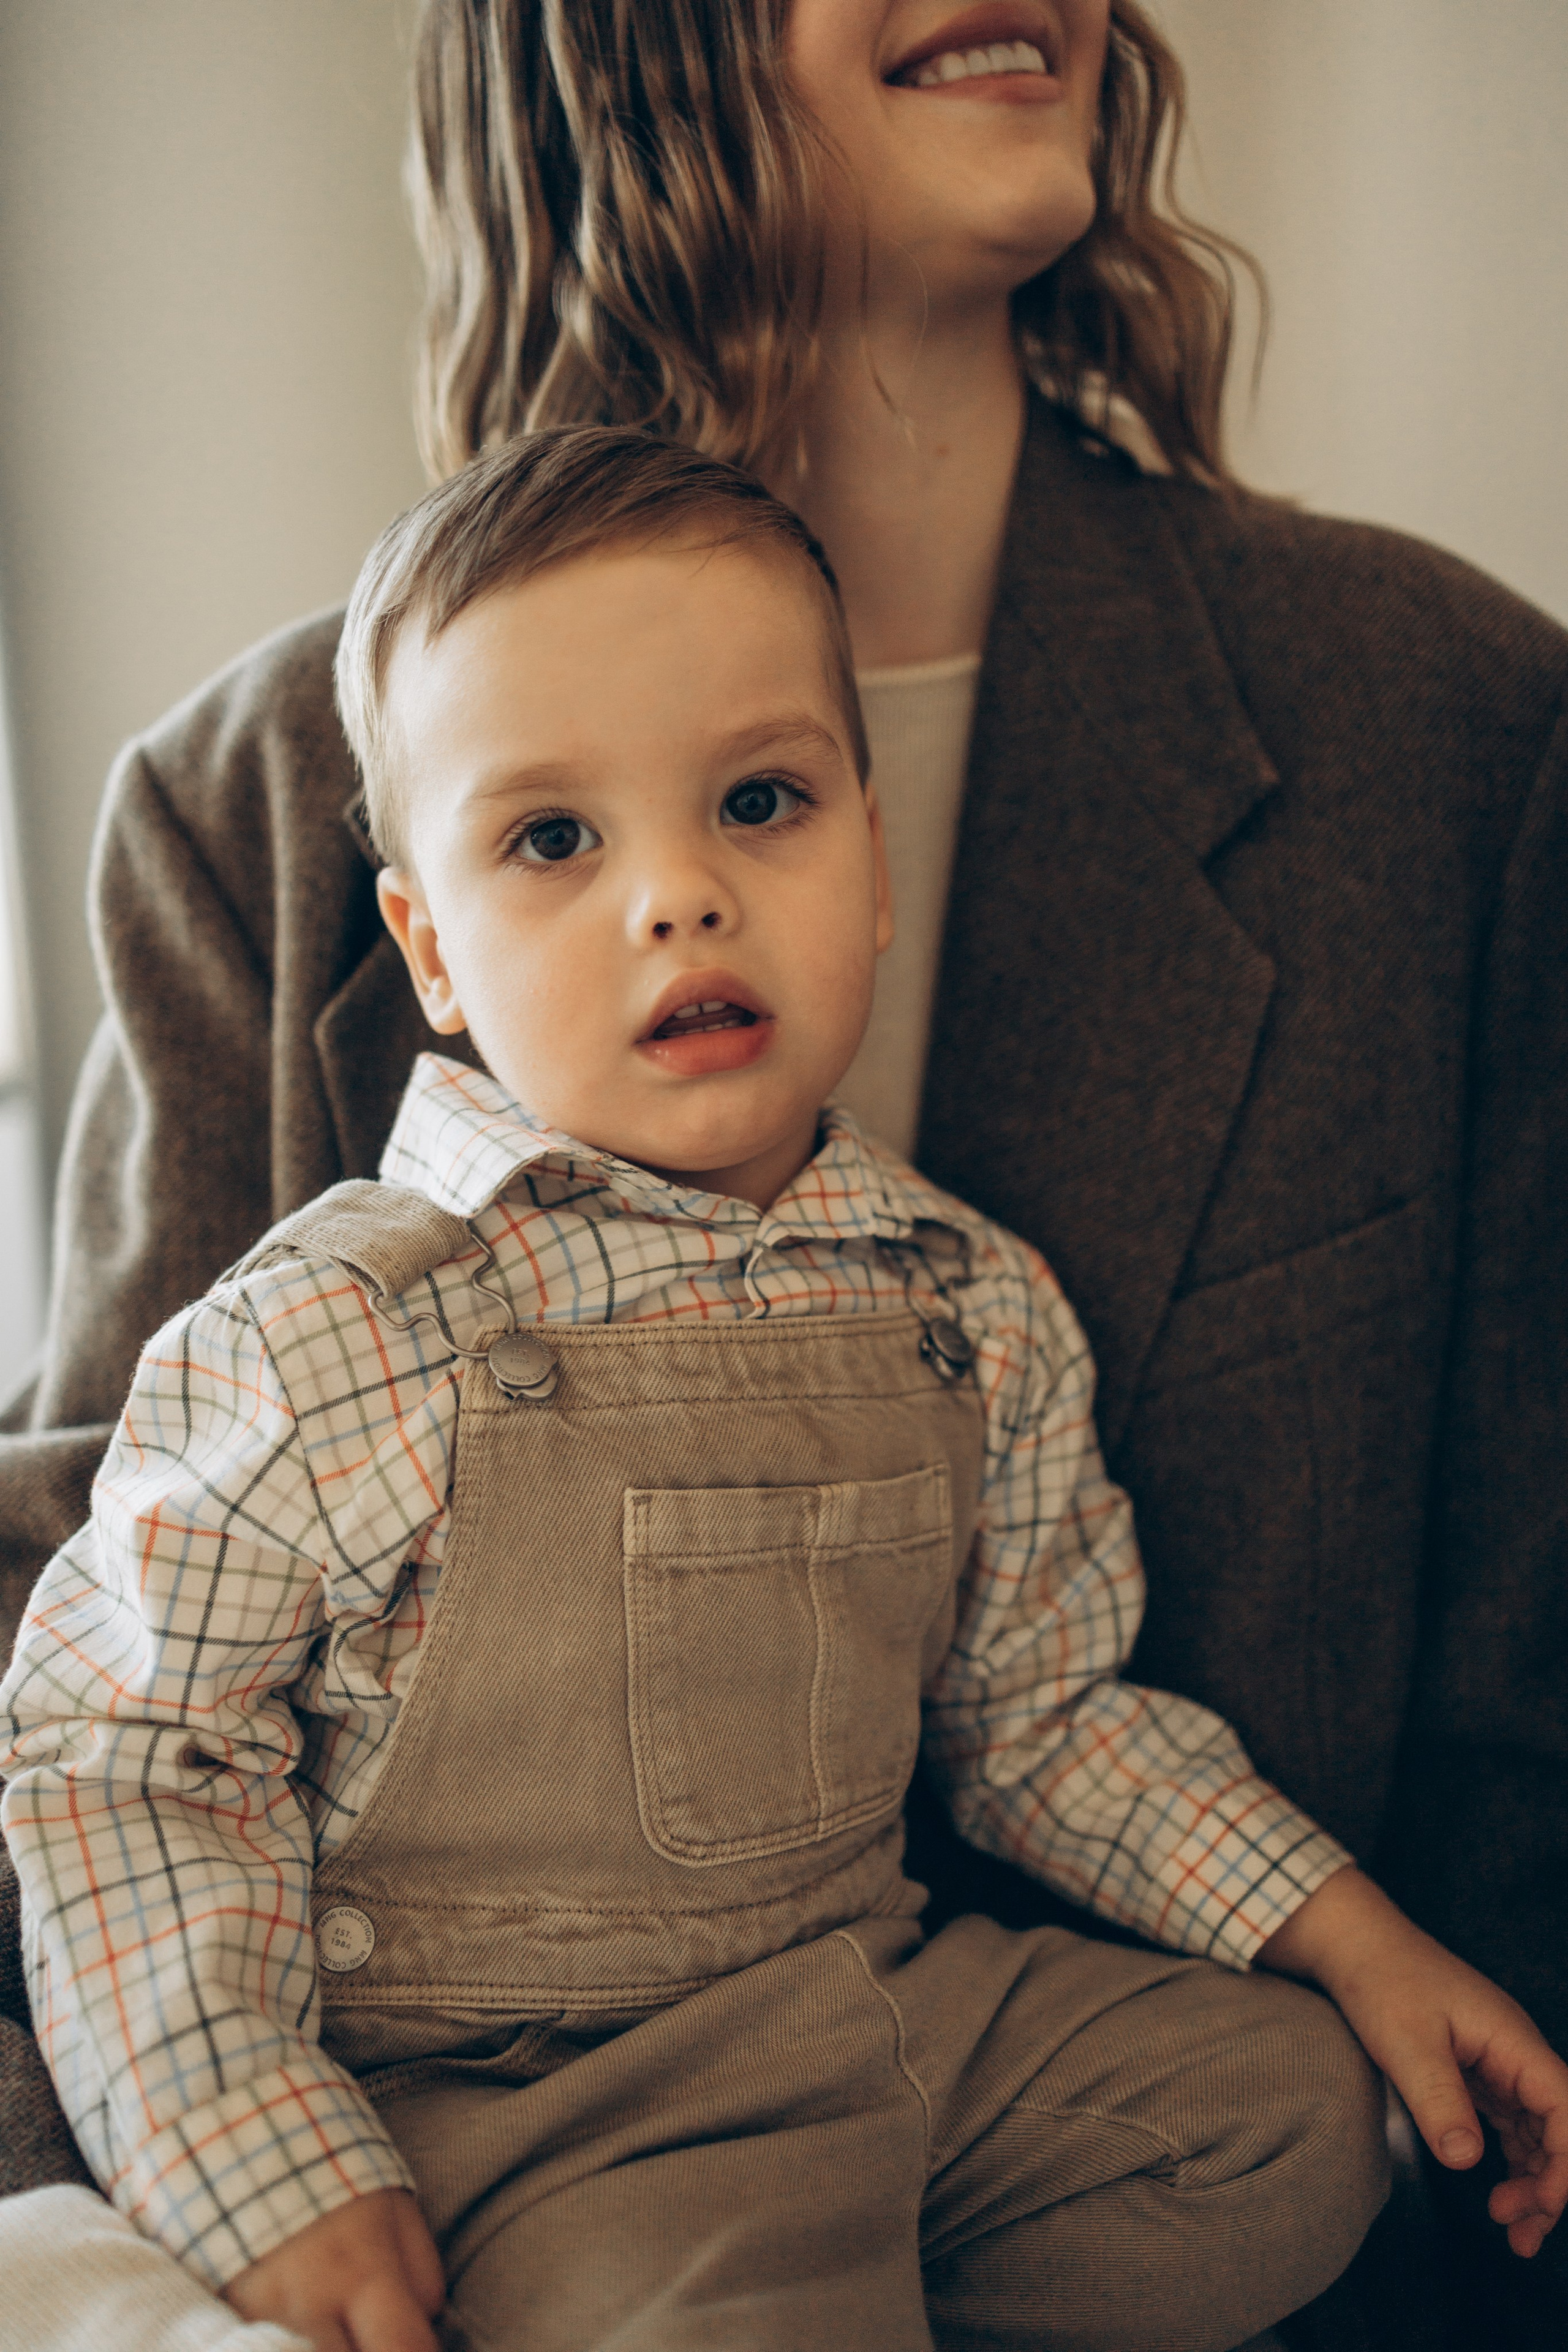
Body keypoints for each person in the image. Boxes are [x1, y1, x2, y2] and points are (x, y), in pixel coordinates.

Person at [1, 2, 1564, 2339]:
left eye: (767, 800)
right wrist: (232, 2189)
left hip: (1039, 2113)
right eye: (548, 840)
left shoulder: (1448, 731)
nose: (676, 899)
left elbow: (1402, 1705)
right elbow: (102, 1677)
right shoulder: (242, 818)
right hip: (467, 2140)